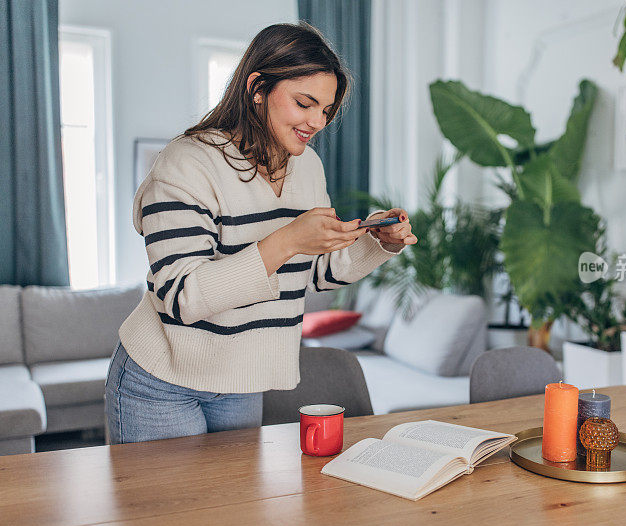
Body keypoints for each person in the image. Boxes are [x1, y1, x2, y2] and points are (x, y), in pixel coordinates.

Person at [105, 22, 417, 445]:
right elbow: (181, 297)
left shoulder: (308, 168)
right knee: (173, 513)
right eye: (305, 103)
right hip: (162, 380)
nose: (317, 122)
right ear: (257, 88)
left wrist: (375, 243)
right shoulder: (186, 164)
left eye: (325, 110)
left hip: (242, 378)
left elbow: (309, 274)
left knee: (236, 512)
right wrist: (287, 239)